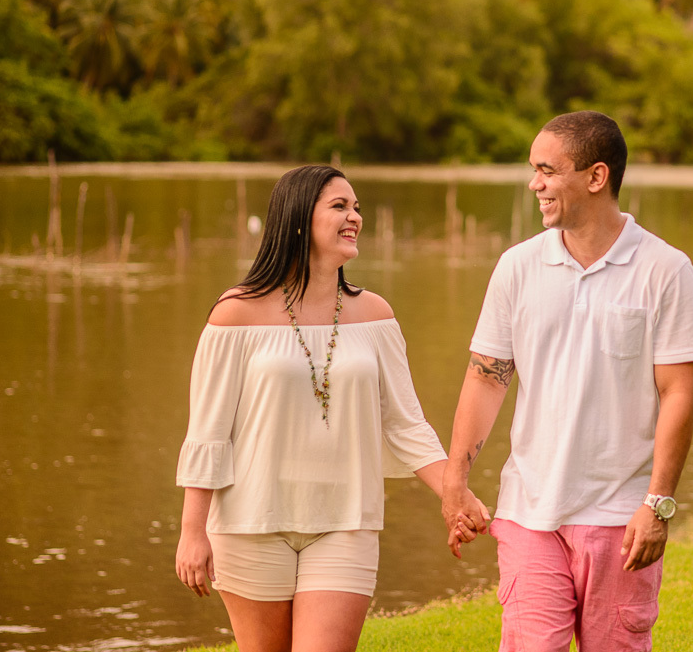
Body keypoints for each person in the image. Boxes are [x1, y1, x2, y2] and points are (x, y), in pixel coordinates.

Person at [175, 164, 487, 652]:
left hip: (346, 522)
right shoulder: (235, 313)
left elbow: (405, 425)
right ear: (298, 218)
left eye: (357, 207)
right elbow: (208, 432)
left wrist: (454, 491)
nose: (355, 217)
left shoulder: (376, 316)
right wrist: (193, 531)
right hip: (249, 523)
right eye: (340, 206)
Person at [441, 111, 693, 651]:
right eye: (533, 169)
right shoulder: (517, 267)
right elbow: (487, 377)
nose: (534, 183)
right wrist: (455, 478)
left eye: (547, 169)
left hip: (620, 517)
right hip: (528, 512)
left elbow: (678, 393)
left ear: (596, 176)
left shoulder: (666, 270)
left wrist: (658, 504)